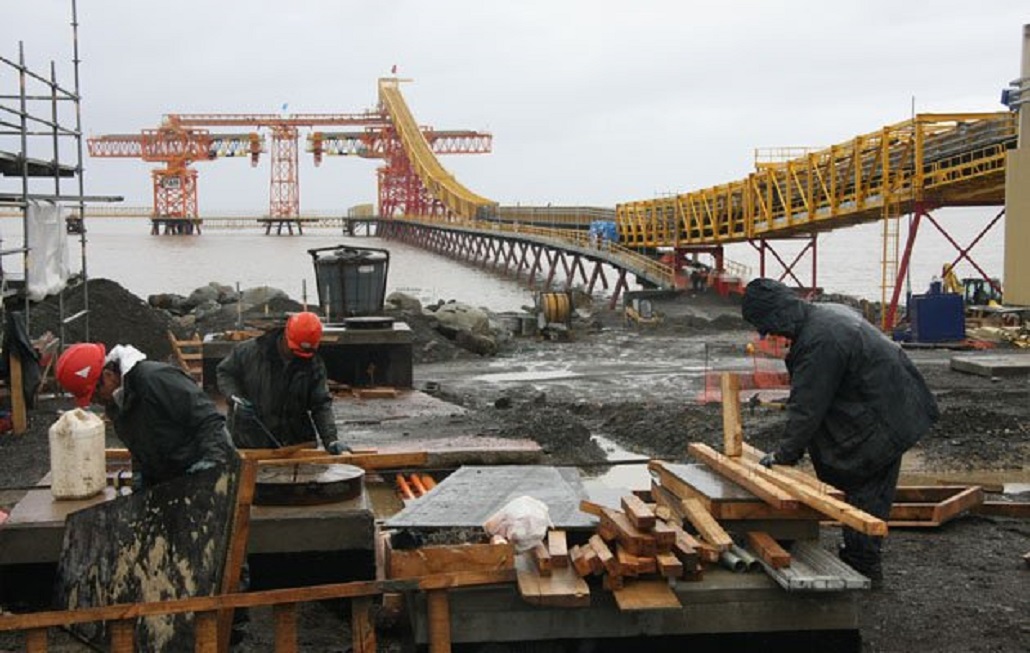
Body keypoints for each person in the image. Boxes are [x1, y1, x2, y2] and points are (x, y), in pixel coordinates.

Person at [741, 278, 939, 583]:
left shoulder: (820, 341)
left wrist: (784, 455)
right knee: (865, 486)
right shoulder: (821, 317)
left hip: (887, 413)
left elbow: (808, 408)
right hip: (891, 402)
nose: (771, 335)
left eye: (768, 327)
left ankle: (864, 566)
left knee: (865, 485)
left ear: (779, 314)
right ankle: (859, 556)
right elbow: (814, 394)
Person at [55, 343, 236, 490]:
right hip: (168, 482)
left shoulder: (155, 379)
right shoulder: (117, 404)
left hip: (198, 473)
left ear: (108, 375)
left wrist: (212, 464)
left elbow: (209, 420)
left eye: (95, 395)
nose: (96, 401)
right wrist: (140, 475)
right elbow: (140, 445)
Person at [216, 311, 347, 454]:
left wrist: (331, 439)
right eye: (295, 350)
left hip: (295, 443)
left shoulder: (313, 364)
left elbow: (321, 404)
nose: (297, 356)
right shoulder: (247, 352)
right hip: (250, 441)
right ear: (286, 335)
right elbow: (225, 373)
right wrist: (235, 397)